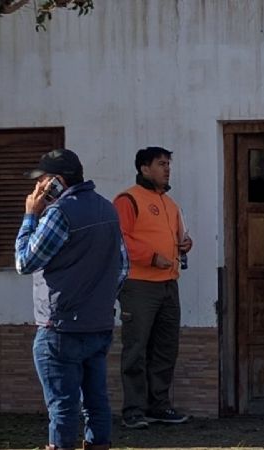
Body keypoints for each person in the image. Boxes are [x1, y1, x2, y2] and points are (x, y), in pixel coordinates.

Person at [15, 148, 129, 450]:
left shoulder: (58, 214)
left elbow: (25, 262)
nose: (38, 188)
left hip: (60, 328)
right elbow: (122, 268)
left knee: (63, 408)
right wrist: (99, 300)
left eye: (43, 181)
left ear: (57, 181)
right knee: (96, 402)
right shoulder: (107, 209)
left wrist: (30, 215)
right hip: (99, 324)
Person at [113, 146, 192, 429]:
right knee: (136, 348)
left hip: (169, 285)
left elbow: (180, 236)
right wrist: (150, 257)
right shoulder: (127, 199)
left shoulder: (171, 205)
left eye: (168, 163)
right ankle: (133, 410)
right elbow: (118, 240)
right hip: (139, 285)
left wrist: (186, 244)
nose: (167, 168)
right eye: (161, 164)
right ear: (145, 169)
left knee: (165, 348)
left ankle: (159, 406)